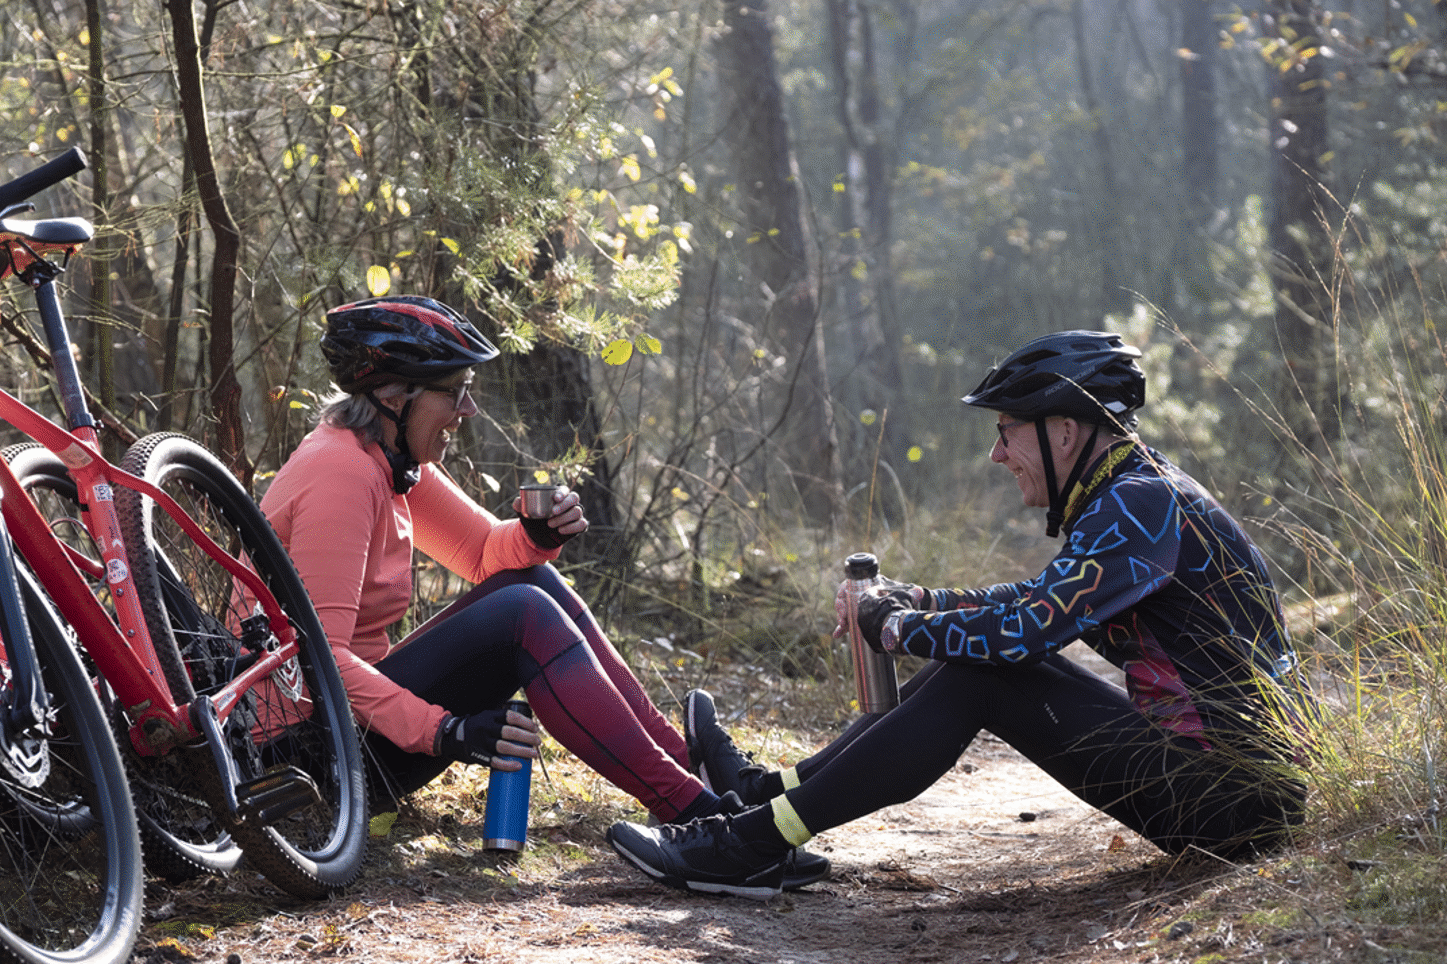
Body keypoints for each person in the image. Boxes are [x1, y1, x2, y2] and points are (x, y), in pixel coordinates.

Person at [606, 330, 1313, 899]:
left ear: (1064, 431)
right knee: (987, 662)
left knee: (987, 675)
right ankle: (762, 798)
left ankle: (750, 844)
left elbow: (1026, 630)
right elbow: (1037, 602)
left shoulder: (1140, 502)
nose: (996, 452)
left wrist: (896, 626)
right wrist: (921, 603)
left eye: (1008, 431)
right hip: (1233, 792)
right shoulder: (1137, 491)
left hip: (1232, 803)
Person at [260, 296, 829, 885]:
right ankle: (706, 820)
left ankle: (694, 774)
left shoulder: (388, 458)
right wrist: (444, 731)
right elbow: (321, 662)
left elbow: (485, 555)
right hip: (305, 757)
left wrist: (534, 536)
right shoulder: (341, 475)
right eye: (454, 392)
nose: (469, 408)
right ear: (394, 395)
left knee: (533, 581)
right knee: (523, 612)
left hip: (351, 730)